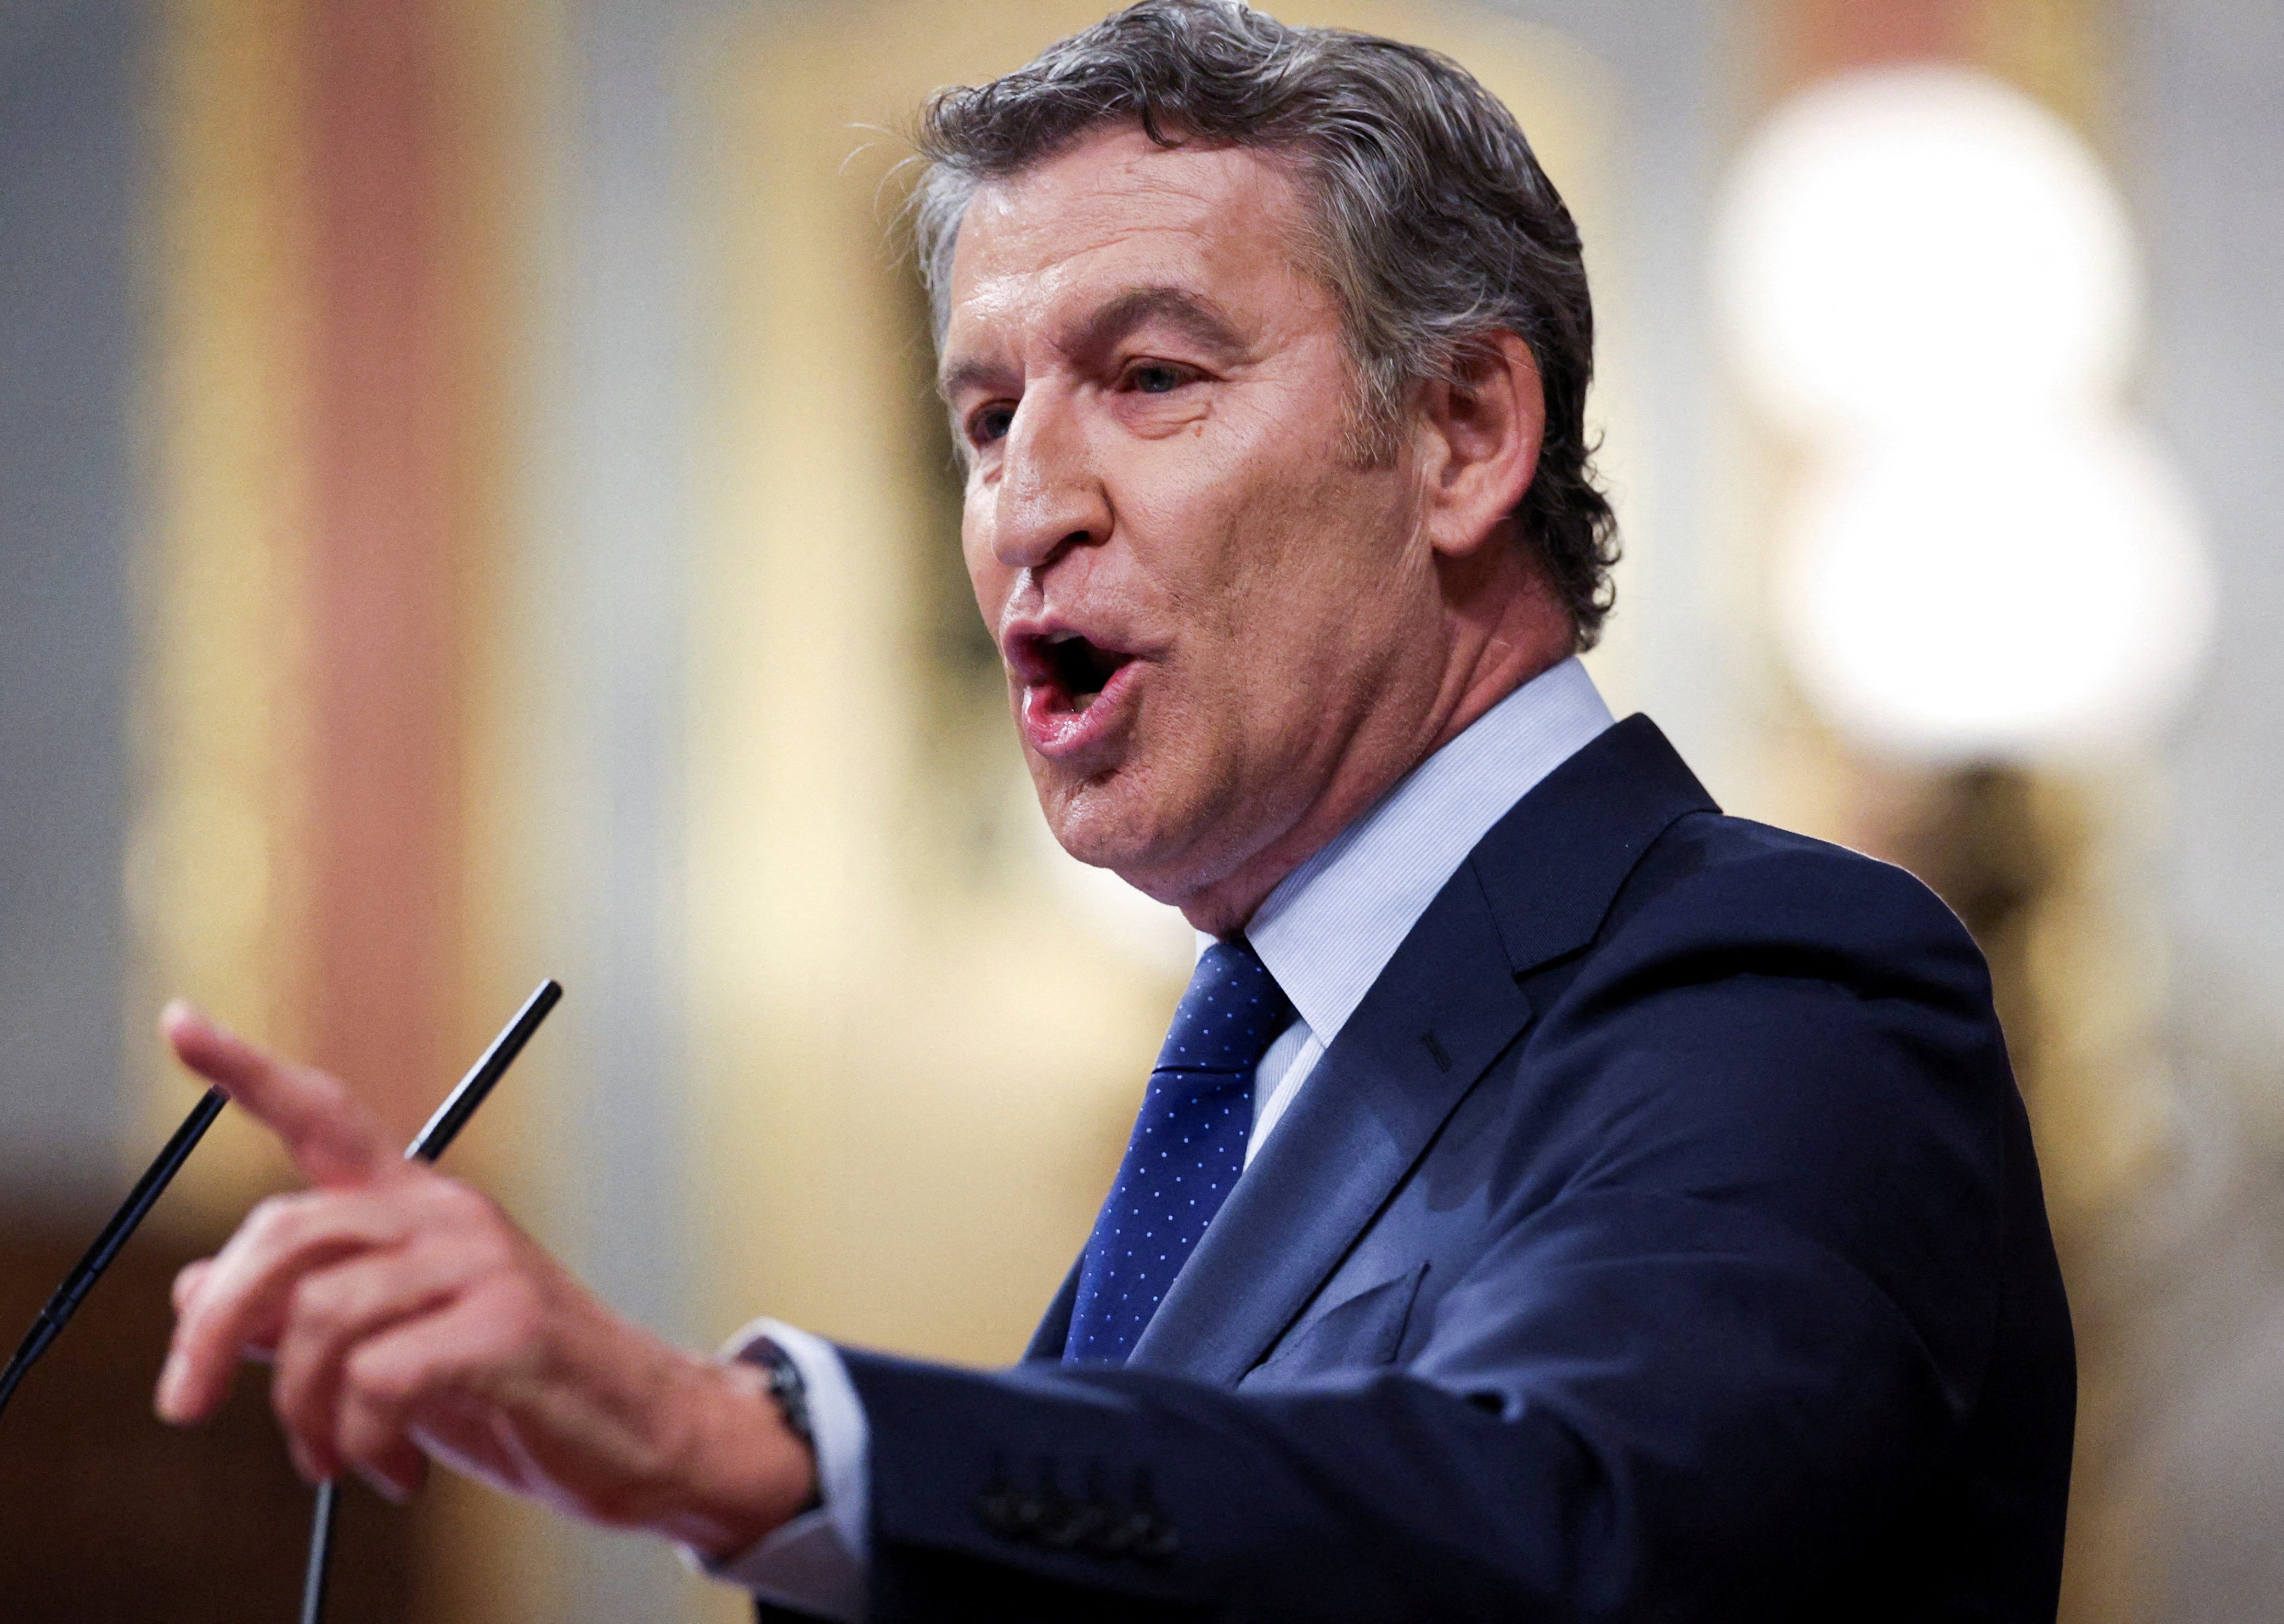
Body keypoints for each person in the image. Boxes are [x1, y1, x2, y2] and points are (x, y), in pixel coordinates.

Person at [154, 4, 2076, 1619]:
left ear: (1466, 432)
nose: (1026, 507)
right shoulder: (1247, 1069)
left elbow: (1550, 1526)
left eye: (1152, 378)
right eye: (986, 419)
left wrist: (731, 1442)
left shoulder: (1781, 985)